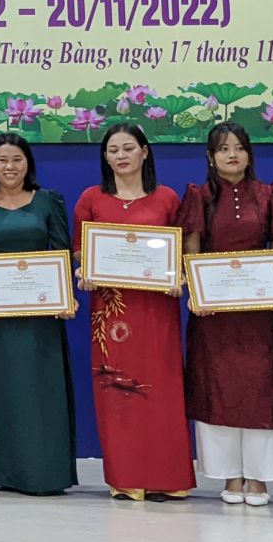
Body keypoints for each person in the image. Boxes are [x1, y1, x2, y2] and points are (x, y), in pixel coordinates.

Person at [177, 122, 273, 507]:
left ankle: (259, 478)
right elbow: (191, 248)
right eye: (223, 148)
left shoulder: (270, 194)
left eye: (239, 148)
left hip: (259, 311)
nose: (232, 154)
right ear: (210, 157)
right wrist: (197, 291)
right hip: (214, 314)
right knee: (218, 388)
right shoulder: (198, 196)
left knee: (262, 388)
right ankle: (230, 475)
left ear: (249, 154)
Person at [74, 123, 193, 501]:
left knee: (161, 387)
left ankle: (167, 478)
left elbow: (180, 252)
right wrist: (84, 269)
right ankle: (126, 477)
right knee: (118, 389)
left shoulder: (167, 198)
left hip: (157, 309)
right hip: (111, 311)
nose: (121, 156)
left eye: (128, 148)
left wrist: (180, 276)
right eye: (113, 150)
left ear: (145, 151)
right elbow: (80, 249)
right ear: (105, 157)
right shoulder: (91, 198)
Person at [0, 133, 77, 496]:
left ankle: (47, 472)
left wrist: (66, 297)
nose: (10, 167)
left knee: (42, 393)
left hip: (41, 318)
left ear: (28, 163)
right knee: (3, 392)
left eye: (17, 159)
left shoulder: (48, 201)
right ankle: (6, 471)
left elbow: (61, 251)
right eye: (2, 160)